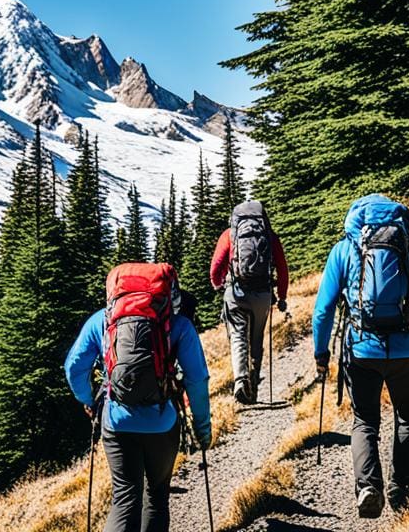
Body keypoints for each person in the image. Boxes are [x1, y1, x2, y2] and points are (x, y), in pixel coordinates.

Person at [312, 194, 409, 518]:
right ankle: (401, 489)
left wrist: (321, 353)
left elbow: (323, 310)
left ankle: (368, 486)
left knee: (365, 420)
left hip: (361, 350)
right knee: (408, 419)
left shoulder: (344, 250)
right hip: (407, 351)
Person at [65, 263, 211, 532]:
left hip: (117, 422)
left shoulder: (102, 321)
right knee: (156, 499)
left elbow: (74, 368)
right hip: (163, 423)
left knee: (124, 498)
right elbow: (197, 380)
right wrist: (203, 429)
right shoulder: (178, 325)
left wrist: (91, 401)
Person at [210, 200, 289, 404]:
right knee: (256, 339)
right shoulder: (269, 236)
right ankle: (253, 385)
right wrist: (281, 297)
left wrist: (218, 284)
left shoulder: (229, 235)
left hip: (236, 292)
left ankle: (240, 380)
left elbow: (216, 267)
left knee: (237, 336)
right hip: (262, 295)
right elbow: (282, 269)